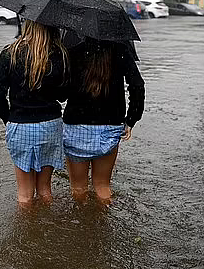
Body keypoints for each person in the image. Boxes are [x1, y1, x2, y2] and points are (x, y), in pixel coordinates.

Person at [0, 19, 69, 207]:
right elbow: (63, 95)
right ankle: (45, 231)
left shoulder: (9, 53)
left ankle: (28, 234)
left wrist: (10, 120)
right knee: (45, 190)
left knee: (25, 195)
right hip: (50, 125)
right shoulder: (59, 54)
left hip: (20, 126)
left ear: (28, 24)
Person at [62, 36, 144, 205]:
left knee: (78, 187)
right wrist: (131, 119)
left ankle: (79, 225)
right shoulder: (120, 49)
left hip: (76, 125)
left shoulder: (73, 49)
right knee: (102, 186)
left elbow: (61, 92)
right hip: (110, 125)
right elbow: (137, 85)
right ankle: (102, 225)